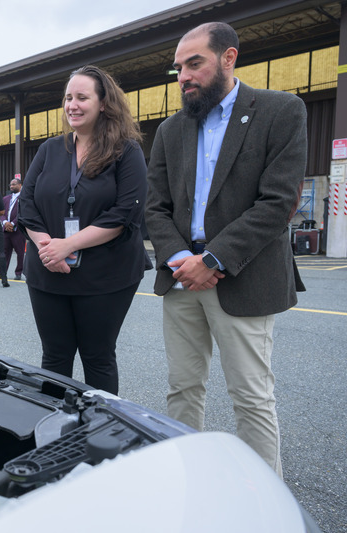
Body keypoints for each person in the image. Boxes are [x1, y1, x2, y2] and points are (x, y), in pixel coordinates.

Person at [144, 23, 307, 478]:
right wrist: (182, 260)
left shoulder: (280, 111)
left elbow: (278, 203)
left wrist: (212, 260)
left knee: (252, 397)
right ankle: (187, 484)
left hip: (243, 275)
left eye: (194, 63)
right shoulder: (170, 130)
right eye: (178, 68)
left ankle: (262, 508)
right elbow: (155, 208)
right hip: (180, 278)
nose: (184, 76)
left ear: (229, 58)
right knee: (182, 389)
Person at [18, 65, 148, 395]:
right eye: (68, 98)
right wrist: (48, 249)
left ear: (103, 103)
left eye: (82, 98)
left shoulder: (126, 150)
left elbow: (125, 212)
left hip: (106, 274)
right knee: (55, 356)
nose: (72, 105)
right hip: (49, 271)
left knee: (98, 356)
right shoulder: (50, 149)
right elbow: (27, 202)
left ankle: (100, 435)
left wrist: (68, 245)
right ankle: (53, 433)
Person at [0, 178, 26, 281]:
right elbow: (1, 213)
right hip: (6, 230)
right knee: (4, 252)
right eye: (10, 185)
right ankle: (1, 272)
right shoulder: (5, 199)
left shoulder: (24, 198)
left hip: (18, 230)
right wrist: (5, 223)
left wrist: (12, 223)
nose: (11, 186)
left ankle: (18, 273)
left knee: (20, 253)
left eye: (14, 184)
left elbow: (23, 213)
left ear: (20, 185)